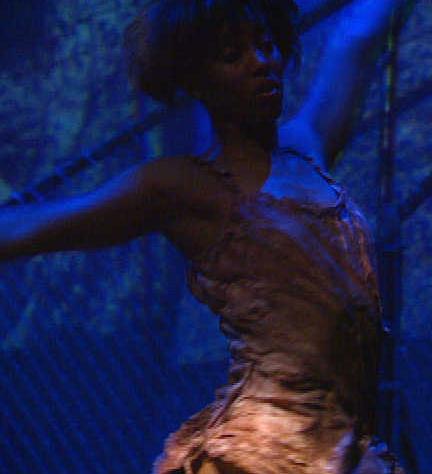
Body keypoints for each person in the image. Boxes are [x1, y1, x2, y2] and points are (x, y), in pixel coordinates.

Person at [0, 0, 407, 472]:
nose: (260, 62)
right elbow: (34, 227)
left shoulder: (307, 146)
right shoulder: (183, 186)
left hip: (341, 446)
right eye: (232, 55)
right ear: (195, 79)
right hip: (265, 452)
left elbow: (357, 38)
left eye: (266, 44)